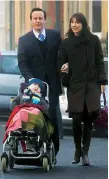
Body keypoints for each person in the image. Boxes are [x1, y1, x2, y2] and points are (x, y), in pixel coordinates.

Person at [58, 12, 107, 166]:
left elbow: (100, 61)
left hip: (91, 85)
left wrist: (102, 81)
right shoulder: (66, 43)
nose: (74, 25)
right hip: (75, 85)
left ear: (83, 24)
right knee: (76, 119)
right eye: (72, 22)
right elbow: (61, 63)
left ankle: (85, 152)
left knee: (88, 120)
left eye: (77, 22)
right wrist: (64, 70)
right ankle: (77, 149)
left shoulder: (93, 40)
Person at [17, 7, 62, 156]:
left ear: (44, 19)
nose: (38, 21)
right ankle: (35, 146)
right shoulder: (24, 40)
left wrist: (65, 64)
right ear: (31, 21)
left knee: (53, 116)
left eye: (40, 18)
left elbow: (63, 55)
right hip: (34, 86)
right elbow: (22, 63)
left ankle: (54, 149)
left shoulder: (55, 36)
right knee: (34, 117)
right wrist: (31, 80)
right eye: (35, 18)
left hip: (52, 86)